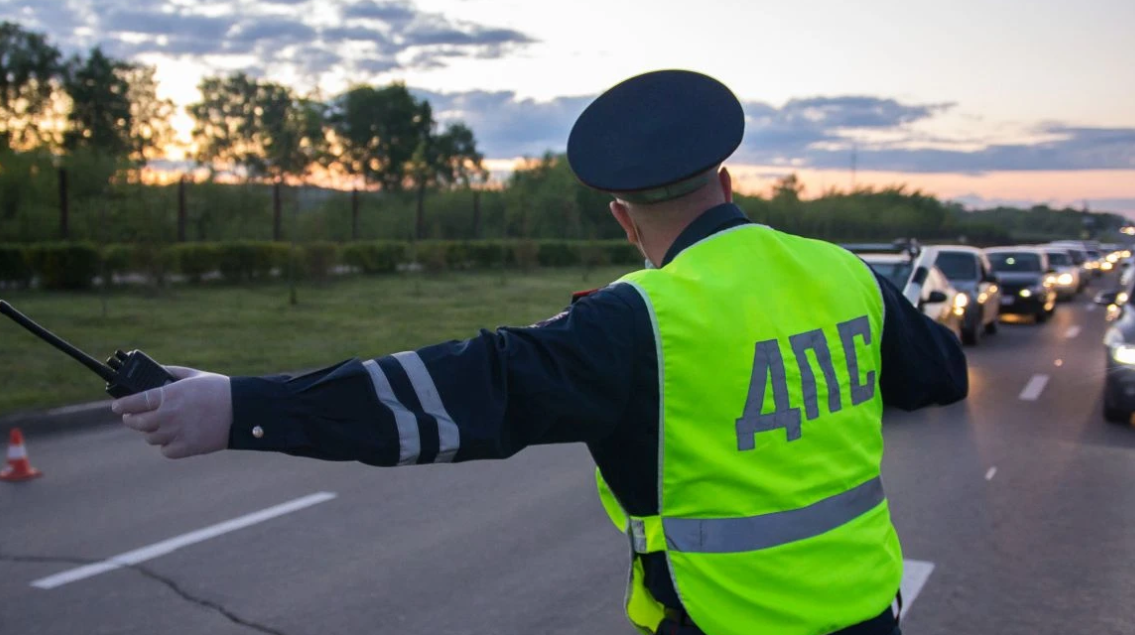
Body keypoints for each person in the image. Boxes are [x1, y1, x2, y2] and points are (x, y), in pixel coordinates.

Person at [112, 70, 967, 635]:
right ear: (728, 183)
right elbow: (941, 376)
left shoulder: (637, 321)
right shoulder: (845, 275)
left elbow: (463, 390)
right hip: (869, 616)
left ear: (622, 218)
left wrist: (239, 409)